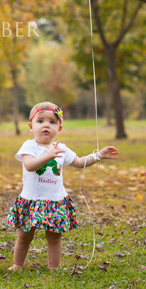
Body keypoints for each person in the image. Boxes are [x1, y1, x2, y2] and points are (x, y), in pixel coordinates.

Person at [6, 101, 119, 271]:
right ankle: (17, 264)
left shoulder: (61, 148)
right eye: (40, 121)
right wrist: (49, 155)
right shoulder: (29, 146)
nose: (46, 125)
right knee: (24, 235)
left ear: (59, 129)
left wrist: (98, 156)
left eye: (52, 122)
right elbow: (30, 165)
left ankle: (53, 267)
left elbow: (80, 162)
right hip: (31, 200)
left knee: (54, 237)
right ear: (31, 126)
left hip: (54, 201)